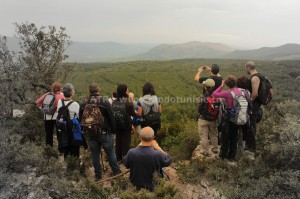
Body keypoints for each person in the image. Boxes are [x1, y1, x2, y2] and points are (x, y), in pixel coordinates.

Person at [80, 83, 121, 181]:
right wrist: (113, 130)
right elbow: (111, 117)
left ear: (89, 91)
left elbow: (80, 119)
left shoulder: (83, 102)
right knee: (110, 152)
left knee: (95, 154)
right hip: (104, 132)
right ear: (98, 90)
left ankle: (98, 175)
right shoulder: (104, 101)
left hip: (90, 133)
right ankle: (116, 171)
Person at [123, 127, 172, 191]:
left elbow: (126, 163)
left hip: (136, 186)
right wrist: (158, 148)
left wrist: (138, 146)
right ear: (153, 137)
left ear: (140, 137)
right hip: (153, 186)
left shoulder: (131, 152)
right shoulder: (157, 154)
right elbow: (169, 159)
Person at [212, 75, 241, 161]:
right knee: (234, 137)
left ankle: (223, 156)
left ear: (227, 84)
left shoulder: (227, 93)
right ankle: (232, 157)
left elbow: (214, 94)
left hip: (228, 118)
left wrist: (221, 85)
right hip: (237, 117)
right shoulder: (240, 91)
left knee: (225, 137)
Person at [57, 83, 87, 159]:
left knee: (66, 149)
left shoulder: (60, 102)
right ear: (71, 93)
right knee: (75, 151)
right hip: (73, 130)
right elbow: (79, 117)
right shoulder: (75, 104)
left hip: (63, 128)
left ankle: (68, 168)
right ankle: (75, 167)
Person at [36, 81, 64, 150]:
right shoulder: (62, 95)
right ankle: (60, 150)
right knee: (60, 134)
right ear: (60, 88)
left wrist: (43, 109)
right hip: (58, 117)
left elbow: (37, 102)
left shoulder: (47, 94)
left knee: (48, 134)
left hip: (47, 117)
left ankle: (49, 151)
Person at [113, 84, 135, 162]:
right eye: (127, 89)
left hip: (117, 125)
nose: (128, 91)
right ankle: (126, 159)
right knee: (126, 142)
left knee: (118, 141)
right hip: (126, 125)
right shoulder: (128, 101)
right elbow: (132, 113)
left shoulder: (114, 101)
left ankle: (118, 159)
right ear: (125, 91)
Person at [197, 79, 219, 157]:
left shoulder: (203, 96)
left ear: (205, 87)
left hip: (203, 119)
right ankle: (215, 149)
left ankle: (206, 151)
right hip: (213, 119)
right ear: (213, 87)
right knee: (213, 134)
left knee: (204, 135)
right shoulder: (217, 96)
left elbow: (199, 109)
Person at [245, 61, 262, 152]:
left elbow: (254, 94)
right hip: (257, 104)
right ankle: (250, 145)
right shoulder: (259, 75)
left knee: (251, 125)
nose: (245, 70)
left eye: (245, 68)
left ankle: (252, 147)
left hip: (254, 105)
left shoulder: (254, 78)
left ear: (248, 68)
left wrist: (249, 102)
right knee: (252, 124)